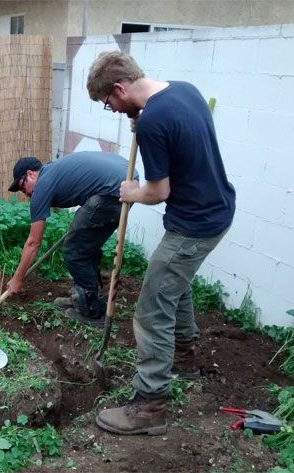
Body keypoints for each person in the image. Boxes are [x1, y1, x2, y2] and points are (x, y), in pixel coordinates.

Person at [86, 51, 235, 435]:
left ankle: (150, 405)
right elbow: (179, 138)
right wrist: (139, 119)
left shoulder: (154, 119)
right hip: (217, 210)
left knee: (152, 309)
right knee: (173, 283)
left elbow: (158, 191)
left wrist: (131, 192)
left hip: (194, 224)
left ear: (119, 88)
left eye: (108, 103)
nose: (113, 109)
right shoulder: (184, 91)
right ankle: (183, 357)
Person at [6, 151, 138, 327]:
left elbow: (33, 243)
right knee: (85, 243)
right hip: (128, 180)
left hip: (114, 190)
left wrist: (17, 279)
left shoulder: (42, 185)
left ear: (30, 174)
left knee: (74, 250)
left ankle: (91, 310)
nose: (25, 194)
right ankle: (84, 298)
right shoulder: (53, 171)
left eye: (23, 187)